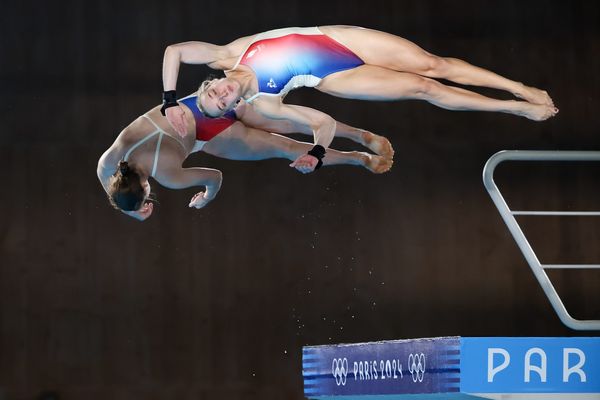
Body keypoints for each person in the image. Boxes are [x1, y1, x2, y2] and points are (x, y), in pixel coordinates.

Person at [161, 25, 558, 172]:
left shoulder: (228, 53)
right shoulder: (264, 104)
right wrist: (316, 153)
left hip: (337, 38)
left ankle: (518, 87)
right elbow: (324, 124)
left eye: (213, 90)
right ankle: (515, 108)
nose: (221, 93)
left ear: (211, 82)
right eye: (221, 103)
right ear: (232, 108)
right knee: (424, 89)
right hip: (336, 75)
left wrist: (170, 100)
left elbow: (174, 51)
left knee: (432, 64)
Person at [97, 93, 393, 221]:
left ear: (147, 189)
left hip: (207, 136)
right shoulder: (110, 160)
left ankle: (358, 158)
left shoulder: (169, 176)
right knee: (288, 122)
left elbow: (215, 177)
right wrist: (127, 206)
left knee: (285, 147)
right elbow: (108, 183)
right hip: (202, 104)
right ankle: (358, 133)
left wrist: (207, 197)